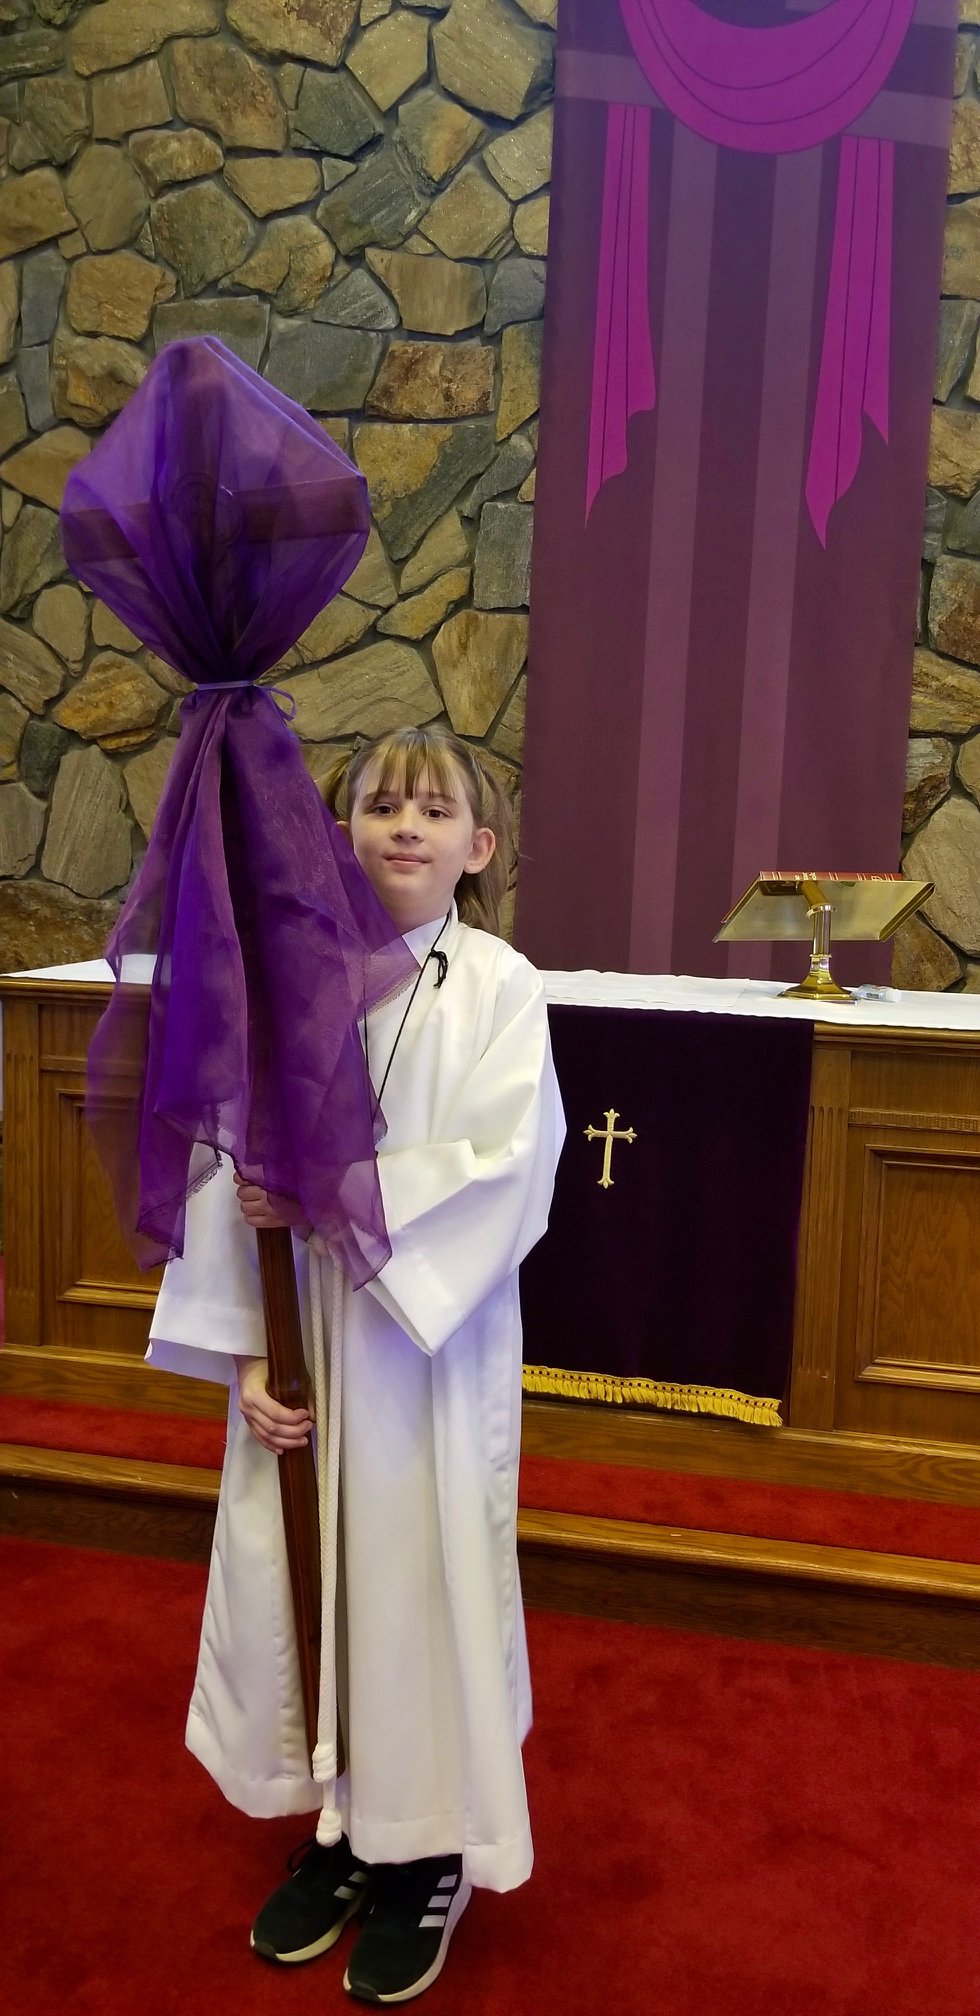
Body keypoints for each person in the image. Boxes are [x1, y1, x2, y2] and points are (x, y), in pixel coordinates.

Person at [146, 724, 566, 2004]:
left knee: (418, 1580)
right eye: (380, 804)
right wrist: (248, 1362)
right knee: (315, 1577)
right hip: (310, 1344)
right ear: (338, 833)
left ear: (475, 850)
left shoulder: (498, 988)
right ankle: (337, 1825)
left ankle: (427, 1848)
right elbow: (231, 1153)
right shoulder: (292, 980)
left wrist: (334, 1190)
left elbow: (506, 1166)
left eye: (432, 812)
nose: (402, 826)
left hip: (420, 1356)